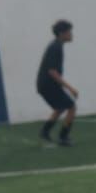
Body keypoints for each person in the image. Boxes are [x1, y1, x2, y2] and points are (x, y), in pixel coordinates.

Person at [36, 19, 79, 147]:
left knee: (60, 108)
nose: (71, 34)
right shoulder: (55, 47)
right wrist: (70, 88)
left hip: (45, 84)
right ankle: (63, 137)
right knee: (71, 107)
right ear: (61, 33)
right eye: (69, 32)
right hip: (48, 85)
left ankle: (45, 131)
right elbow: (52, 71)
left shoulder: (56, 45)